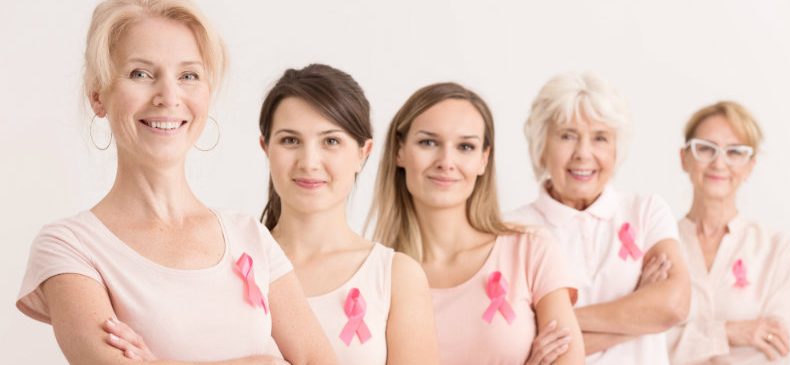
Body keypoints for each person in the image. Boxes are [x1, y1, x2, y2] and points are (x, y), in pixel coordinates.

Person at [15, 1, 336, 364]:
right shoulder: (70, 247)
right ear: (98, 96)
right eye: (140, 73)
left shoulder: (250, 237)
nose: (169, 97)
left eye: (188, 76)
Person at [370, 82, 584, 365]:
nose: (447, 161)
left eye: (465, 146)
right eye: (428, 142)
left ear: (483, 159)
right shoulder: (374, 275)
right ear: (400, 151)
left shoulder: (530, 250)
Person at [256, 64, 439, 364]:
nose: (309, 162)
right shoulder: (236, 262)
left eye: (331, 141)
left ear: (363, 152)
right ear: (266, 147)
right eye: (290, 140)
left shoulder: (396, 277)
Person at [506, 71, 691, 365]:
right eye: (567, 136)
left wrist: (557, 323)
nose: (583, 153)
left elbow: (675, 305)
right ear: (541, 146)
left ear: (617, 149)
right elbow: (516, 343)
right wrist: (641, 313)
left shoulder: (646, 211)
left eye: (600, 138)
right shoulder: (512, 231)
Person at [667, 101, 790, 364]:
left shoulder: (778, 251)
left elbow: (778, 348)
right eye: (705, 148)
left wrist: (685, 343)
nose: (719, 162)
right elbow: (644, 343)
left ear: (750, 165)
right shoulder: (659, 244)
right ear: (684, 158)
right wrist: (731, 332)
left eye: (735, 152)